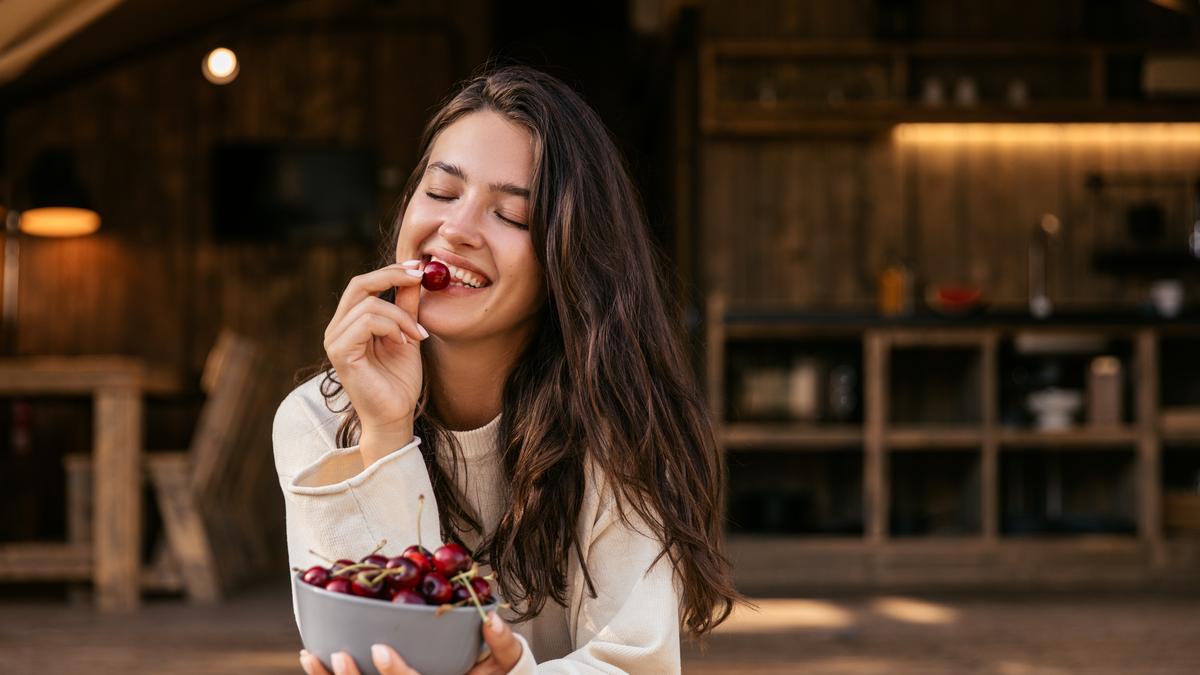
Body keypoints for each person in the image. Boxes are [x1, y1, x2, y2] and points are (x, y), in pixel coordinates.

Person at [273, 65, 739, 675]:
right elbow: (370, 643)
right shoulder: (316, 417)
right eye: (441, 193)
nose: (457, 230)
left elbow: (636, 665)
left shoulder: (623, 419)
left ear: (569, 259)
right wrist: (386, 434)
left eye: (513, 217)